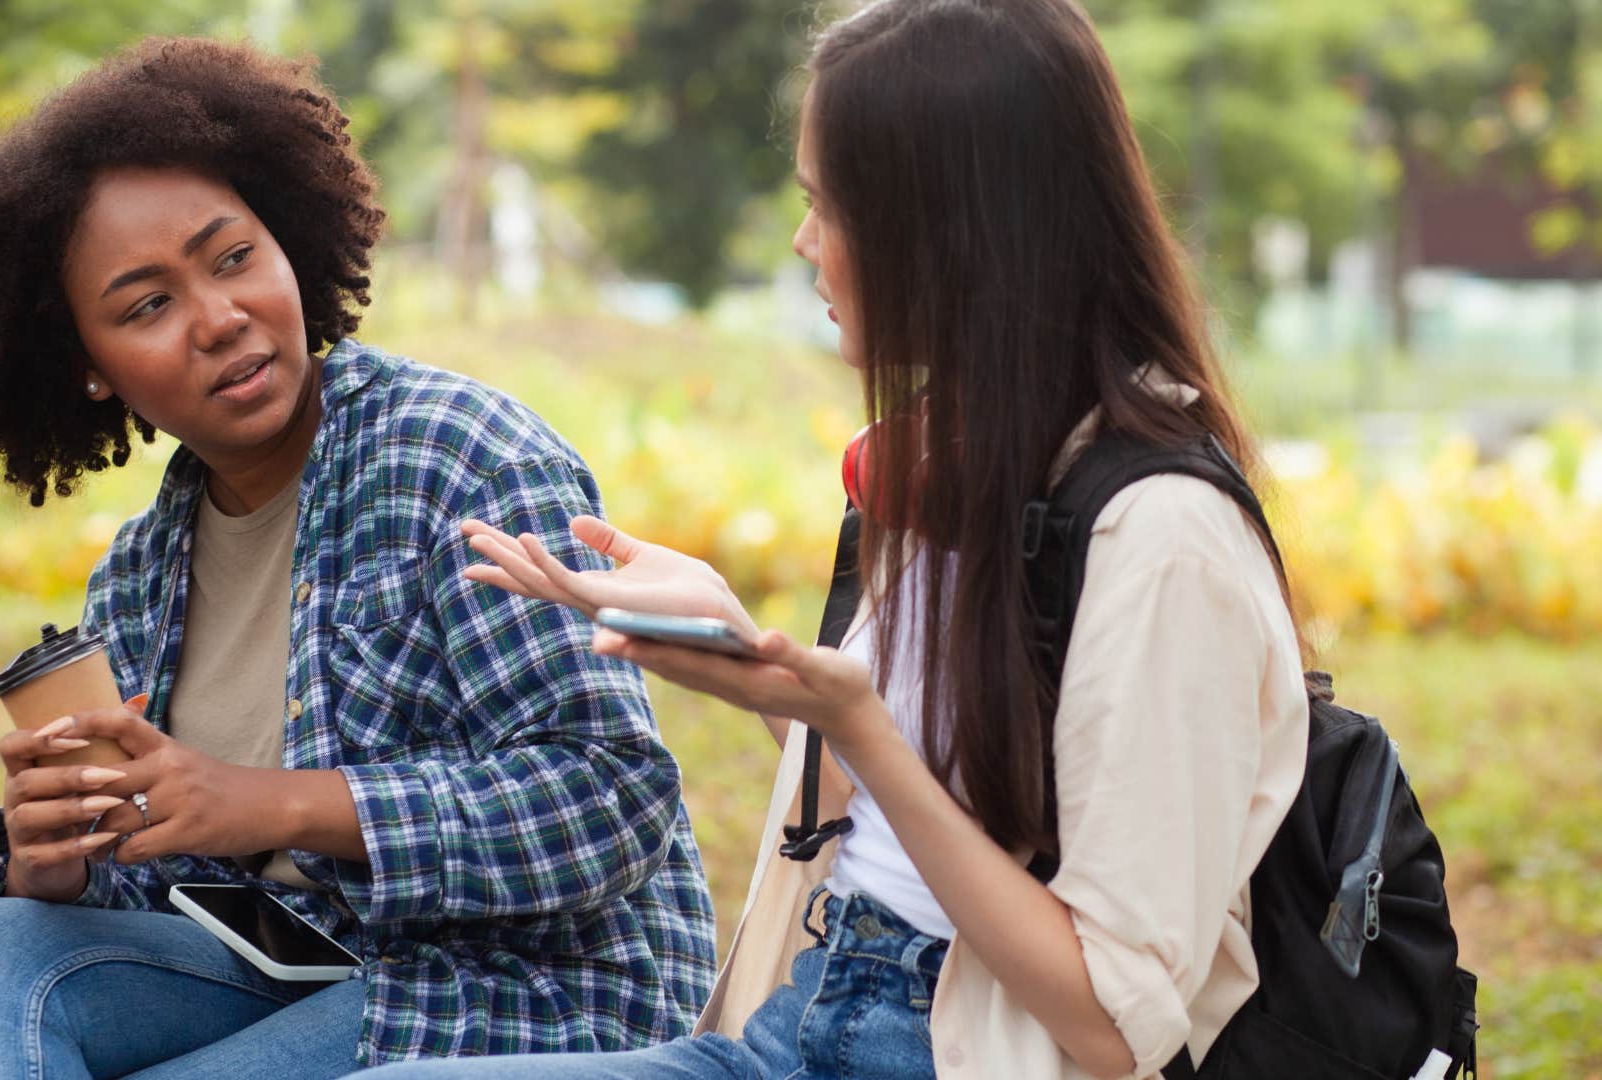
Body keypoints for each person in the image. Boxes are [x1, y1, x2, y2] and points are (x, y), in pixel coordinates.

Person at [363, 0, 1310, 1077]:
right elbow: (900, 821)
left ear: (954, 229)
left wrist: (856, 727)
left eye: (829, 205)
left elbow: (1112, 1022)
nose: (805, 241)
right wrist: (749, 657)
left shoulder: (1166, 538)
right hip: (805, 1013)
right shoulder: (952, 462)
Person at [0, 37, 714, 1078]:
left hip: (512, 995)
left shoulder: (459, 459)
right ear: (86, 368)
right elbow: (186, 888)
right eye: (147, 305)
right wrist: (64, 874)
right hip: (287, 976)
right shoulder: (140, 576)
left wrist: (281, 801)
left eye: (232, 258)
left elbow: (608, 801)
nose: (220, 319)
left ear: (289, 242)